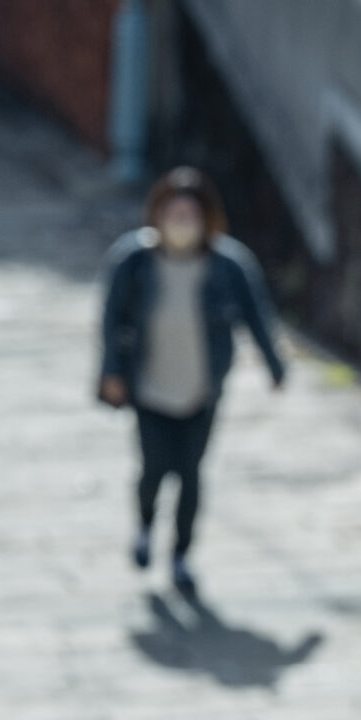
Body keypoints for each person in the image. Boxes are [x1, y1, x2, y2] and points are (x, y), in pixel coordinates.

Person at [98, 166, 285, 590]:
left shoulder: (228, 265)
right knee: (153, 468)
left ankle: (181, 553)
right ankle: (145, 524)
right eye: (173, 211)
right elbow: (111, 320)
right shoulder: (134, 261)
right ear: (158, 214)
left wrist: (275, 366)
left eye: (190, 212)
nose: (181, 220)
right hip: (149, 385)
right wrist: (111, 371)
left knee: (191, 473)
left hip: (202, 388)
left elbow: (258, 316)